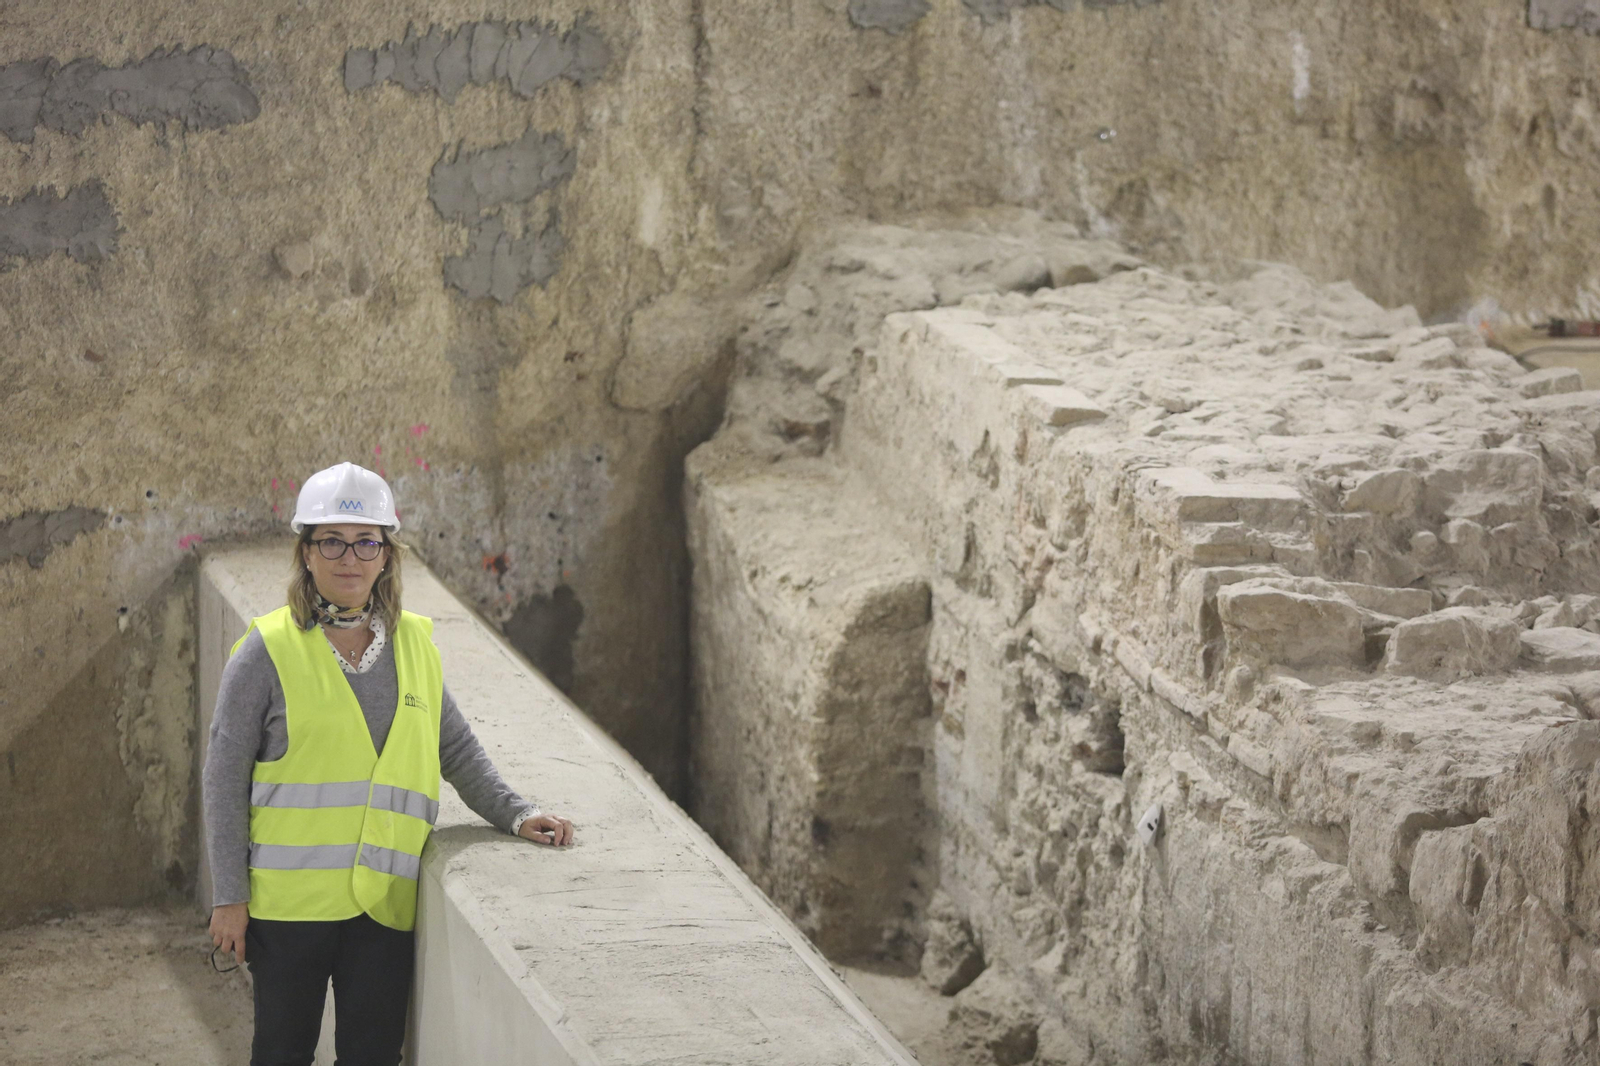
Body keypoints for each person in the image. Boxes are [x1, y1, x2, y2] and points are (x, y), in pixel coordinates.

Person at [203, 461, 574, 1066]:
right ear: (306, 553)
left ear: (386, 556)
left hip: (382, 905)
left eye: (366, 542)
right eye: (331, 541)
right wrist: (229, 898)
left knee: (374, 1056)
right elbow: (222, 781)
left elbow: (453, 748)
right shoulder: (264, 652)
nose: (349, 557)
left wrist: (515, 813)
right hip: (286, 910)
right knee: (280, 1052)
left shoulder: (414, 648)